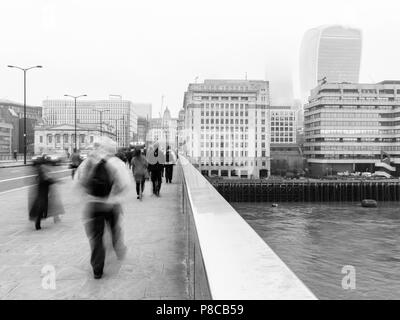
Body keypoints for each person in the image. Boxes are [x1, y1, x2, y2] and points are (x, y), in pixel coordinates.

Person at [74, 136, 131, 279]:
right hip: (110, 205)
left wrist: (86, 199)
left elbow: (77, 183)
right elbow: (125, 185)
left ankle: (97, 269)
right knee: (114, 228)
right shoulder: (117, 163)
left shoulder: (87, 162)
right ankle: (118, 247)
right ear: (113, 149)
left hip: (93, 206)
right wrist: (114, 200)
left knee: (96, 238)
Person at [29, 158, 64, 230]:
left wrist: (53, 180)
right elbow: (46, 178)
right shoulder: (42, 168)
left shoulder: (40, 169)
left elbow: (46, 178)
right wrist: (56, 181)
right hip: (43, 191)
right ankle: (39, 221)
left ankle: (41, 220)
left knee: (43, 204)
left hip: (42, 190)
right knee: (43, 204)